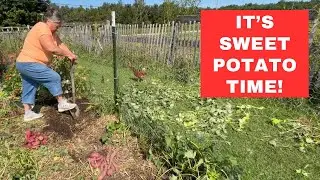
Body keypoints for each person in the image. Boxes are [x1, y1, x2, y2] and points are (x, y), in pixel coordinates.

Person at [15, 7, 78, 121]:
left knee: (29, 85)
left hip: (24, 63)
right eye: (57, 25)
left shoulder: (51, 32)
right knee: (54, 77)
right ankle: (61, 103)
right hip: (29, 62)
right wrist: (66, 54)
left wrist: (70, 54)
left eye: (59, 25)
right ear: (49, 21)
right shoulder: (42, 28)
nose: (58, 27)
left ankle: (28, 113)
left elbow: (60, 44)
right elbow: (51, 48)